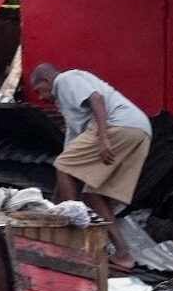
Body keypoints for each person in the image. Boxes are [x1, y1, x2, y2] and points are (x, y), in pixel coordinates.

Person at [30, 63, 152, 273]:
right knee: (94, 195)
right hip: (139, 131)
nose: (40, 97)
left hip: (119, 124)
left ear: (47, 81)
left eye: (39, 90)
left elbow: (97, 99)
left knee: (65, 168)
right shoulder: (70, 109)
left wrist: (103, 137)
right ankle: (123, 254)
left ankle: (73, 240)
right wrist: (53, 205)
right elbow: (68, 161)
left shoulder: (66, 80)